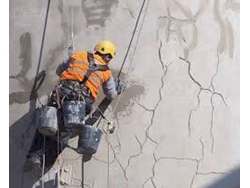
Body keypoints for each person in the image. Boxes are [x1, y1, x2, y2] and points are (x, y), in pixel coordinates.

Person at [23, 40, 124, 172]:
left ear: (97, 49)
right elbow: (111, 95)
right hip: (81, 104)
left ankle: (34, 157)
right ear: (108, 56)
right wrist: (117, 90)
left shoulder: (79, 55)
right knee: (64, 133)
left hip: (61, 94)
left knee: (46, 124)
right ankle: (47, 161)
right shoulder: (106, 72)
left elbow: (59, 71)